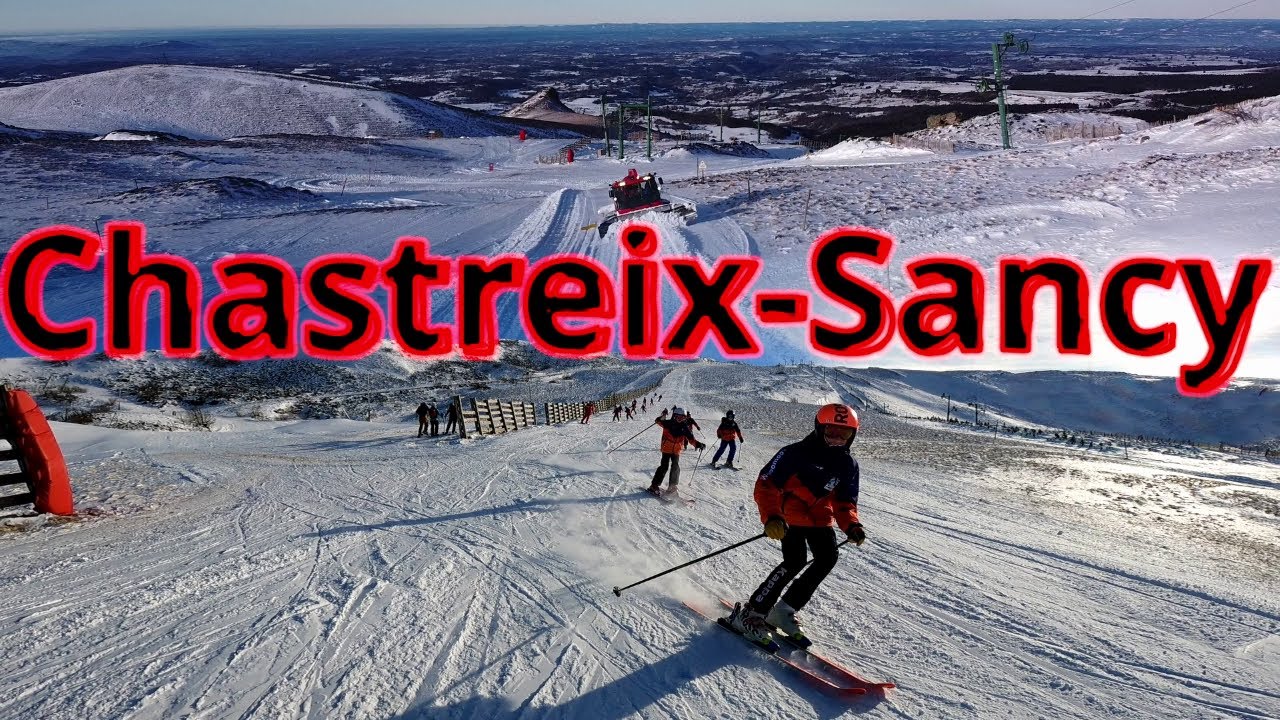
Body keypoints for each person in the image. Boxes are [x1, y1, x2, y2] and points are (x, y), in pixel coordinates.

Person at [727, 403, 865, 648]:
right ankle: (752, 612)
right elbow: (766, 484)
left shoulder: (848, 465)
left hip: (820, 517)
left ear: (852, 436)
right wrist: (772, 517)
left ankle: (783, 610)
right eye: (831, 432)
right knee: (795, 560)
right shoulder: (795, 453)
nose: (836, 439)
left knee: (827, 557)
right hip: (788, 516)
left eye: (843, 435)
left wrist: (852, 525)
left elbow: (845, 502)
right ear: (818, 429)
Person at [648, 407, 705, 498]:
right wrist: (661, 417)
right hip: (666, 448)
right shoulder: (667, 424)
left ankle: (672, 486)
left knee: (675, 466)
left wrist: (698, 444)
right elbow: (658, 421)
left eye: (683, 418)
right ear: (674, 416)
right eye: (679, 417)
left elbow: (691, 439)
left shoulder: (685, 427)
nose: (680, 419)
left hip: (676, 450)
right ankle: (654, 486)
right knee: (664, 467)